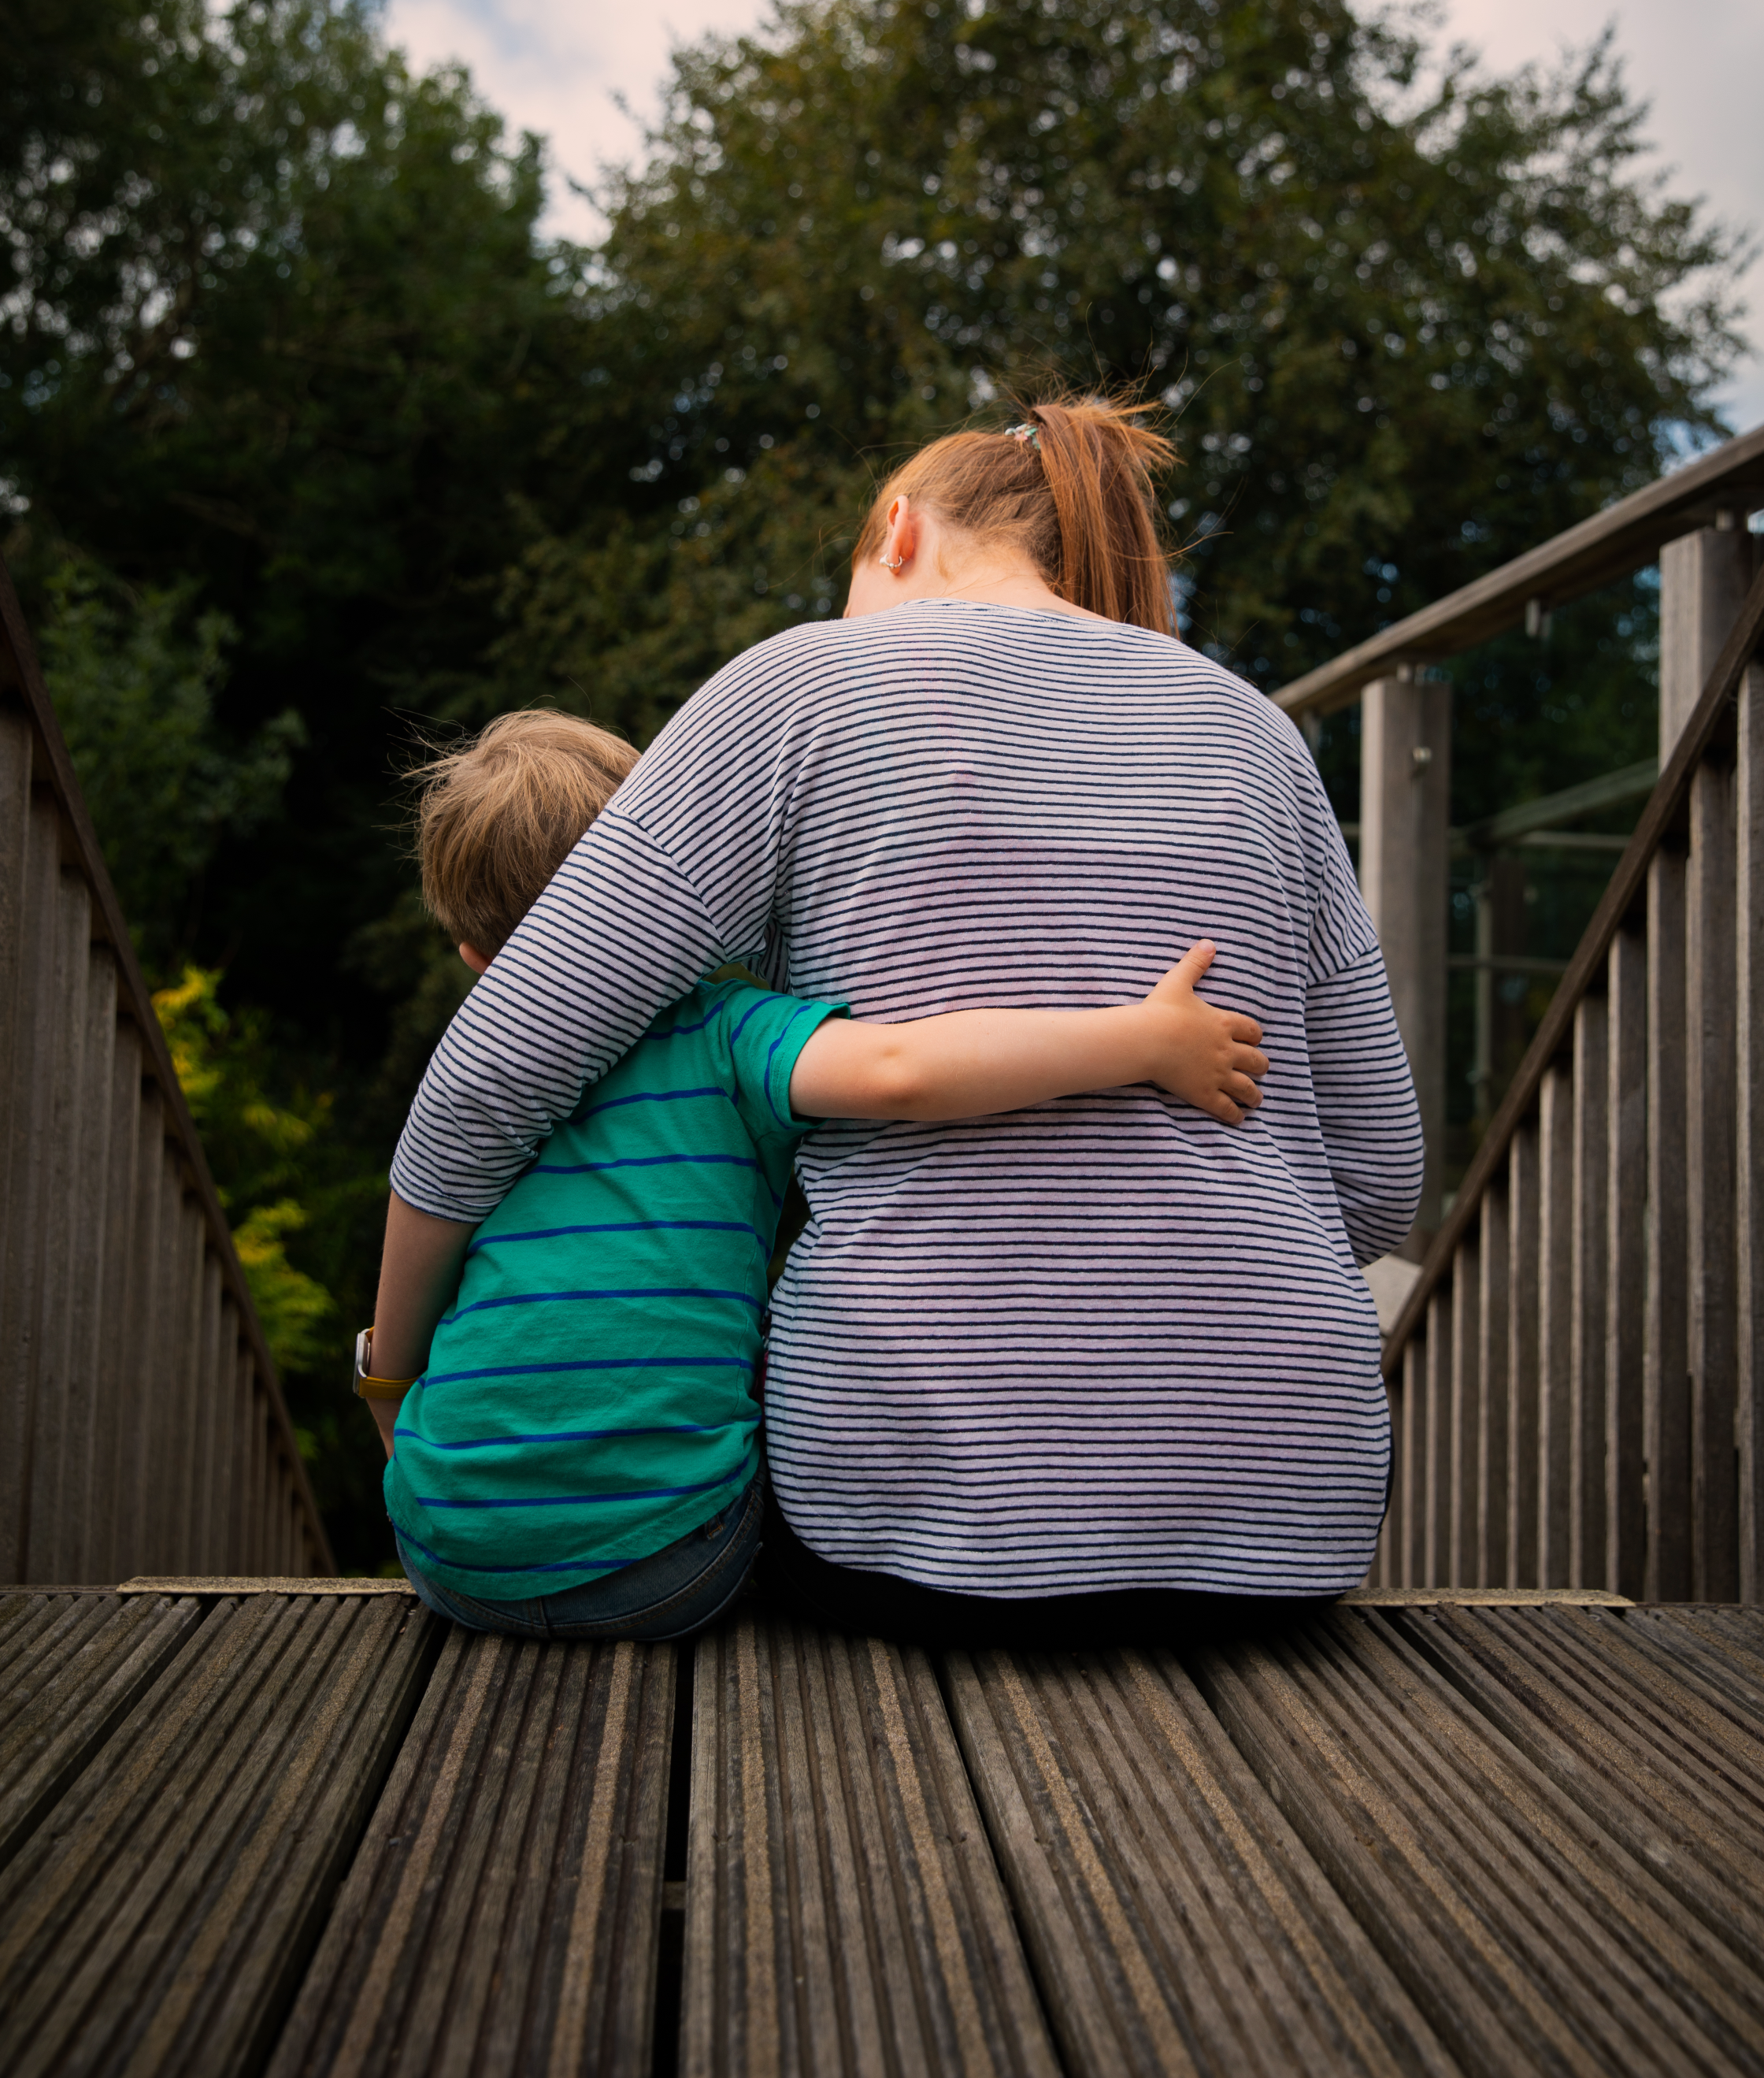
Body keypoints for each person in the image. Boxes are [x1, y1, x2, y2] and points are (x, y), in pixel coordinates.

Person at [389, 395, 1422, 1648]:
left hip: (924, 1536)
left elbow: (490, 1080)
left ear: (896, 530)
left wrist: (392, 1366)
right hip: (1287, 1529)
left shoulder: (800, 684)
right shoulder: (1260, 733)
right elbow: (1376, 1186)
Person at [365, 708, 1267, 1639]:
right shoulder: (726, 1033)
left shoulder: (484, 1092)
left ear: (477, 961)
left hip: (449, 1558)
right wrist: (1140, 1043)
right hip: (668, 1565)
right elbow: (902, 1071)